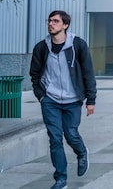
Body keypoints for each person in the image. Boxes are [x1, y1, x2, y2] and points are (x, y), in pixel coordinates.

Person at [30, 10, 97, 189]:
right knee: (55, 138)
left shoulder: (78, 45)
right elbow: (34, 74)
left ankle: (82, 152)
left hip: (73, 99)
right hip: (50, 100)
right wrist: (41, 96)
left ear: (65, 25)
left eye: (56, 21)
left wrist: (91, 100)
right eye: (50, 21)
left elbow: (88, 73)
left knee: (71, 134)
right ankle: (61, 178)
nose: (51, 24)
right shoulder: (41, 47)